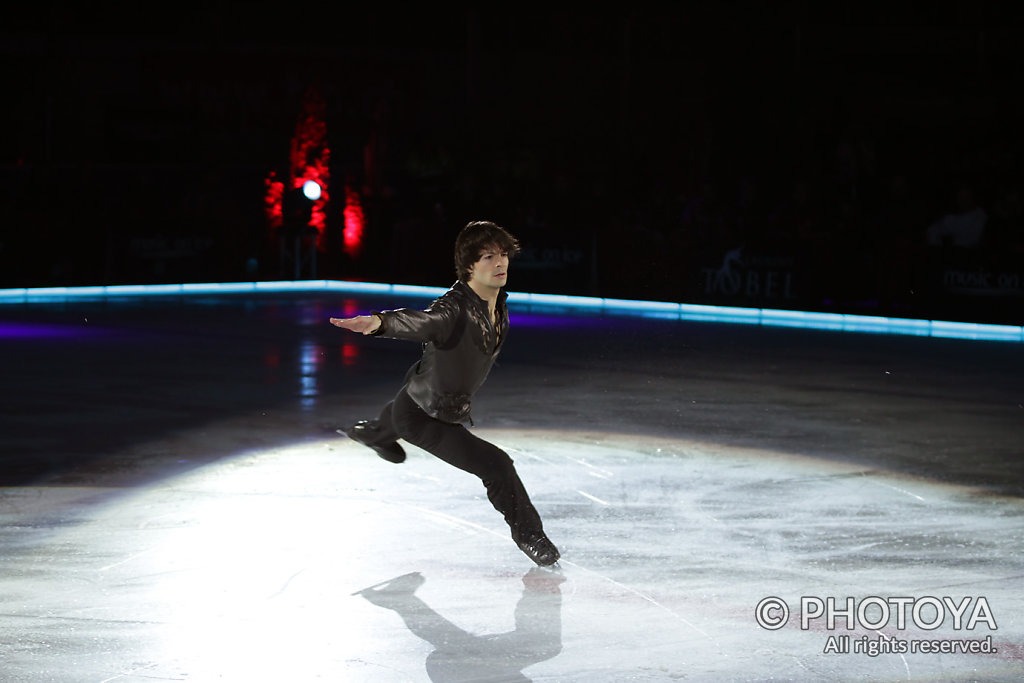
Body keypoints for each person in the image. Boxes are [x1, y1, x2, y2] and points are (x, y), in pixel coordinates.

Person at [329, 220, 561, 567]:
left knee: (403, 406)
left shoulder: (496, 302)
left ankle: (371, 433)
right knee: (497, 465)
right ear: (469, 266)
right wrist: (381, 322)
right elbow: (424, 321)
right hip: (424, 416)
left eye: (502, 255)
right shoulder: (455, 307)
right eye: (487, 257)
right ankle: (530, 535)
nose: (499, 264)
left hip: (422, 399)